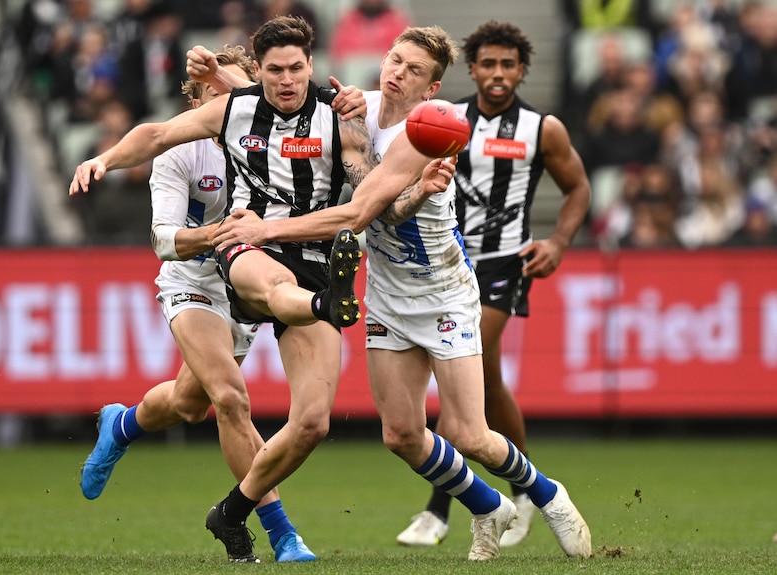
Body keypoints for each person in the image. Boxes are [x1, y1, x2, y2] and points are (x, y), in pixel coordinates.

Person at [69, 16, 443, 562]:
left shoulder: (340, 119)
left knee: (288, 417)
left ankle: (132, 429)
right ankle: (283, 530)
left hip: (311, 251)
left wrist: (415, 196)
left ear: (311, 67)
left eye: (295, 69)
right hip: (234, 253)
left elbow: (372, 195)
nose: (286, 80)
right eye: (274, 71)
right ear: (257, 76)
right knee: (231, 394)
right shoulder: (221, 121)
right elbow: (154, 149)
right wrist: (102, 157)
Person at [213, 24, 593, 561]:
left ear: (432, 89)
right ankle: (486, 507)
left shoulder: (431, 130)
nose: (396, 73)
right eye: (395, 59)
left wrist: (265, 230)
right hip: (389, 295)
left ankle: (548, 494)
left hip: (442, 291)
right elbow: (283, 97)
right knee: (400, 435)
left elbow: (357, 213)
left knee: (469, 433)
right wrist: (227, 77)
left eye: (413, 70)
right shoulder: (358, 104)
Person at [76, 45, 318, 562]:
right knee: (231, 399)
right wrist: (218, 235)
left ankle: (121, 424)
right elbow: (165, 240)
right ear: (196, 101)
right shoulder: (181, 152)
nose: (227, 105)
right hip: (192, 281)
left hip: (245, 283)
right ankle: (280, 534)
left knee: (190, 403)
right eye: (214, 94)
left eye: (235, 92)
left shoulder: (272, 140)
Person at [392, 20, 592, 549]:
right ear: (474, 68)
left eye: (509, 65)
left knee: (467, 366)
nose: (498, 74)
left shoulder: (542, 128)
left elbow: (577, 188)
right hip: (450, 262)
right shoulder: (446, 119)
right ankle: (526, 495)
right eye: (488, 63)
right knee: (490, 385)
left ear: (522, 71)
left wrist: (558, 243)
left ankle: (440, 510)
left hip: (506, 264)